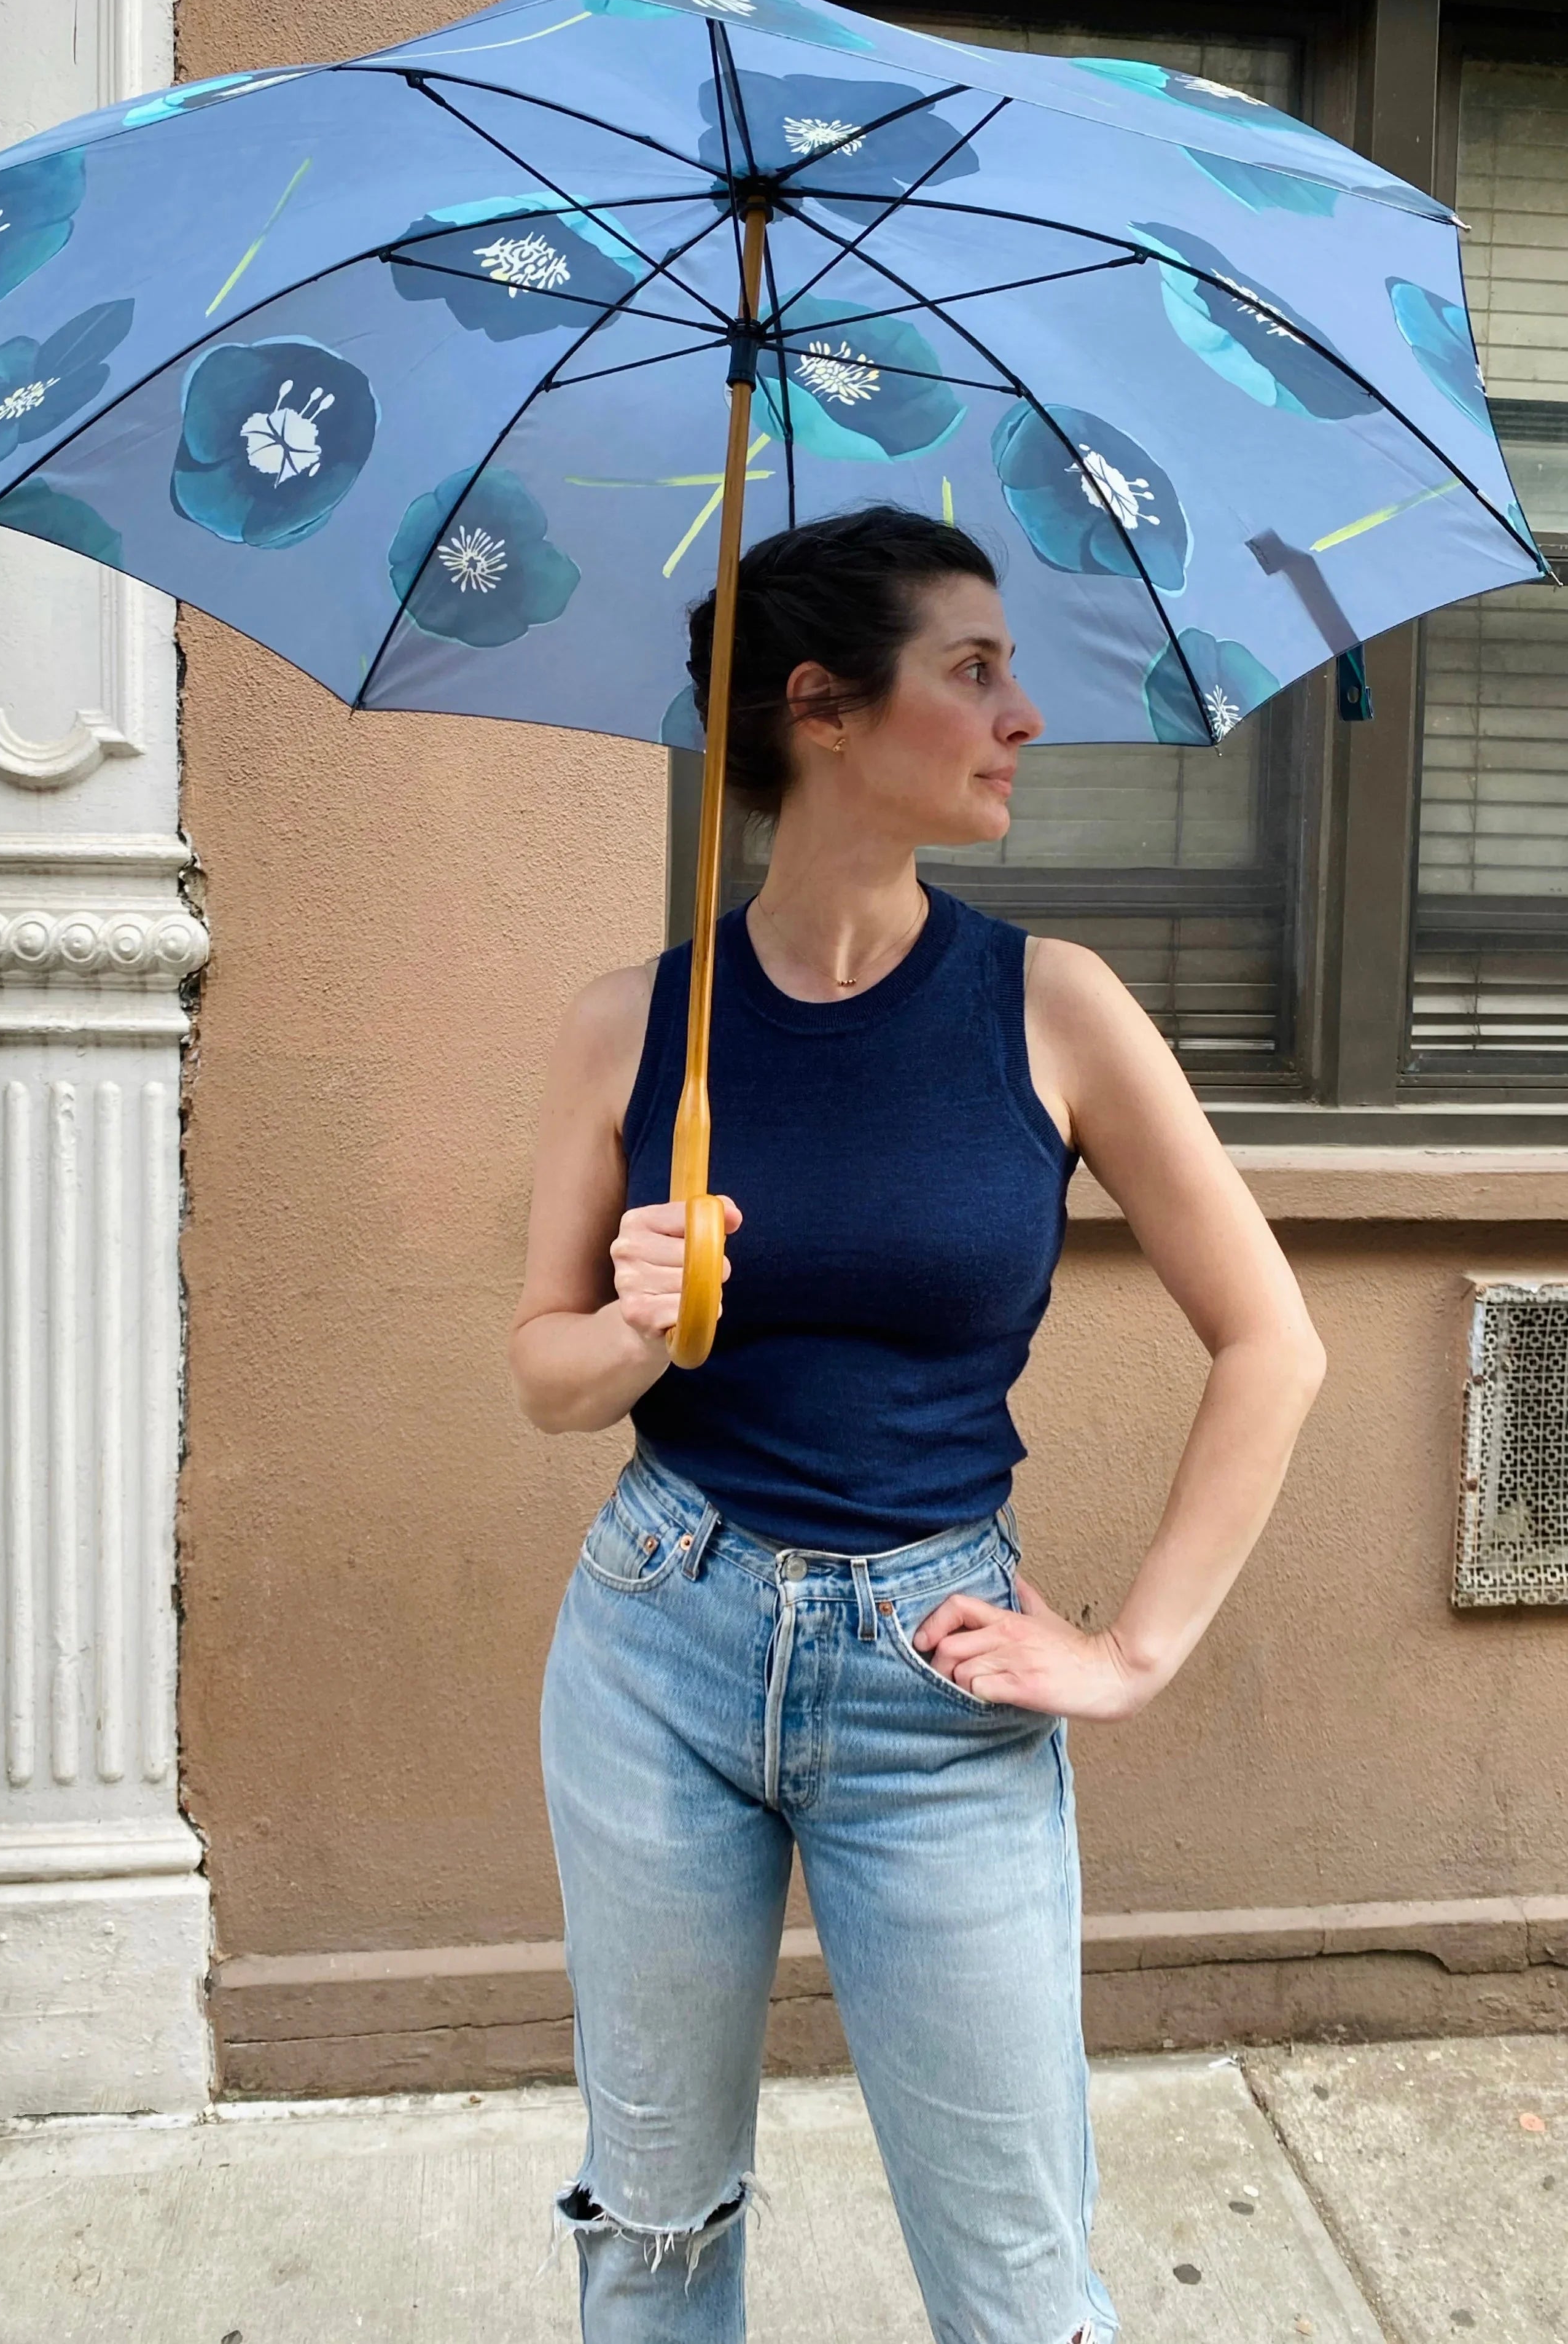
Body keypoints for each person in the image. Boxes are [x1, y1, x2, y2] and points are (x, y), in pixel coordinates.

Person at [509, 505, 1325, 2344]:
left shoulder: (1054, 1008)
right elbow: (543, 1375)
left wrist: (1129, 1653)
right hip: (659, 1645)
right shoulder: (633, 1027)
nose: (1023, 715)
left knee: (1018, 2277)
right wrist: (638, 1324)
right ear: (822, 707)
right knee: (654, 2223)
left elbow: (1272, 1344)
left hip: (934, 1674)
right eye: (974, 670)